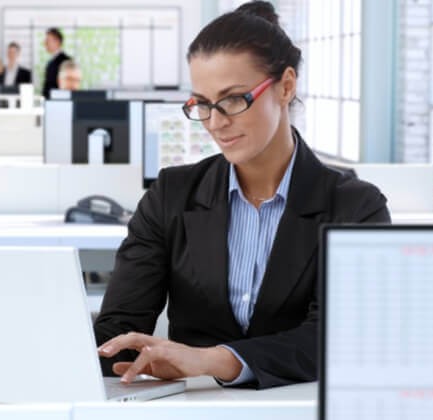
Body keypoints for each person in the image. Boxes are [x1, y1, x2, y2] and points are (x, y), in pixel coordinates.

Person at [93, 1, 390, 390]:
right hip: (193, 409)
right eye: (202, 104)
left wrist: (215, 360)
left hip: (300, 407)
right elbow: (119, 329)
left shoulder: (356, 207)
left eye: (233, 99)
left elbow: (338, 338)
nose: (216, 123)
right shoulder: (172, 195)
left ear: (286, 86)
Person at [41, 28, 70, 99]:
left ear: (57, 41)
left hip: (59, 102)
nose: (45, 43)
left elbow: (67, 87)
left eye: (47, 40)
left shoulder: (66, 61)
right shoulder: (50, 62)